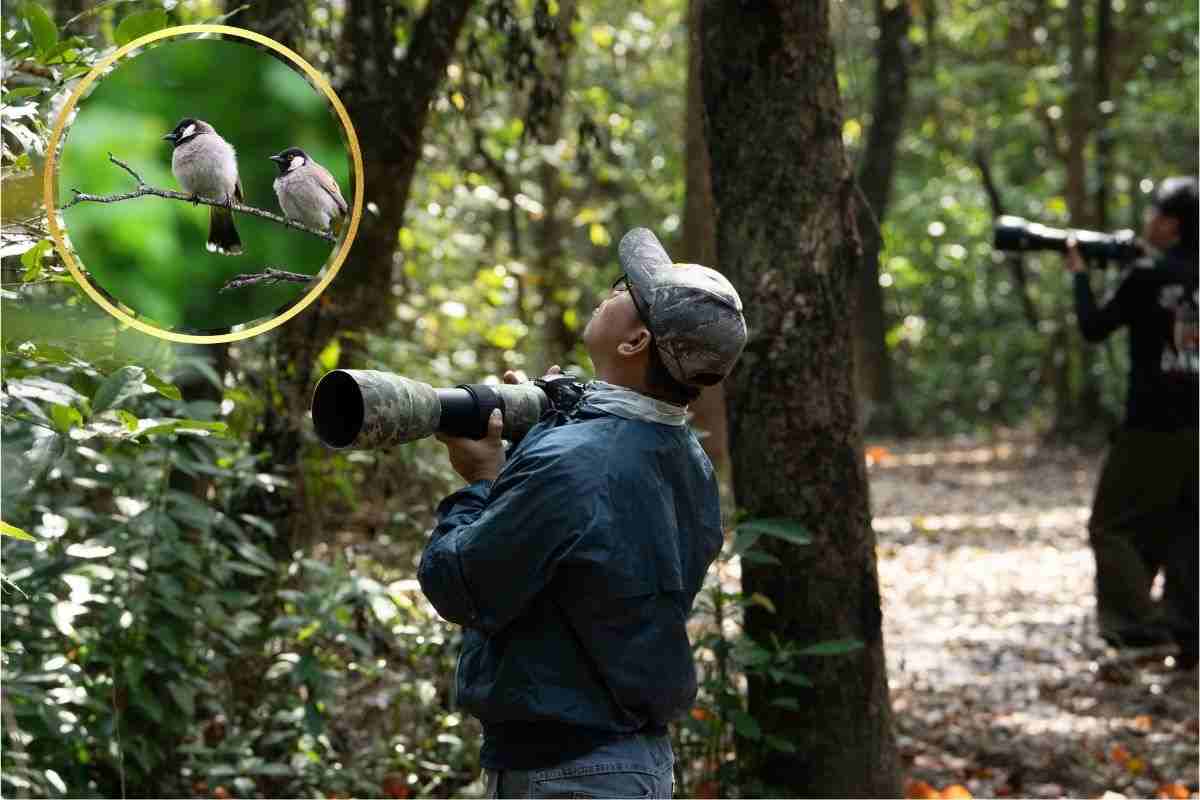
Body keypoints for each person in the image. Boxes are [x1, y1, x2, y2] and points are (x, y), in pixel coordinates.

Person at [417, 228, 748, 798]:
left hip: (568, 774)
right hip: (633, 764)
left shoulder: (573, 462)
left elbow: (461, 584)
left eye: (625, 289)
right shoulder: (686, 457)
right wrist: (543, 436)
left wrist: (481, 481)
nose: (610, 291)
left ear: (635, 340)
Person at [1066, 175, 1198, 667]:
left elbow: (1094, 327)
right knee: (1188, 528)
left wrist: (1079, 273)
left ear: (1170, 223)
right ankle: (1189, 635)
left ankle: (1141, 630)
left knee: (1110, 527)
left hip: (1151, 425)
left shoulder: (1148, 277)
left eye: (1154, 215)